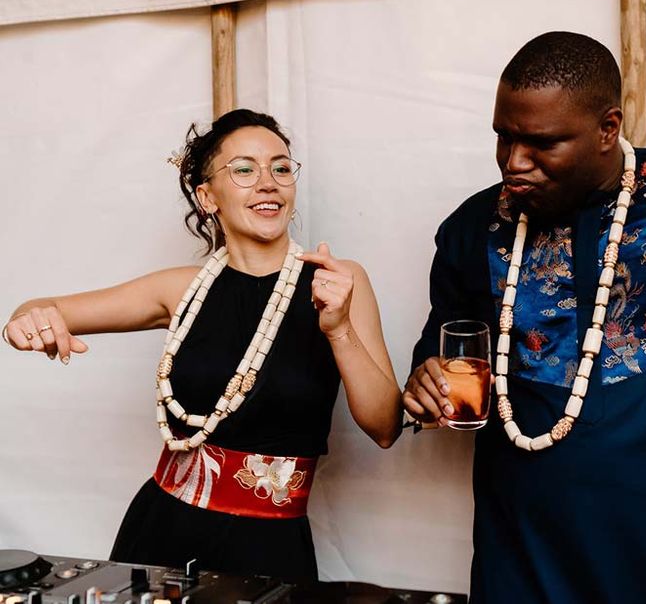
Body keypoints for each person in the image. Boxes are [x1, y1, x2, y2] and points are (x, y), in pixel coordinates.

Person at [403, 31, 646, 602]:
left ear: (608, 128)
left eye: (541, 143)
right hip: (528, 563)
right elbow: (445, 355)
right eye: (503, 137)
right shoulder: (473, 228)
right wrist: (427, 382)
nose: (513, 162)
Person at [3, 108, 402, 583]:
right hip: (162, 531)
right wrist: (29, 323)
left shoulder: (339, 280)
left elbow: (384, 426)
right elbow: (38, 307)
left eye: (280, 167)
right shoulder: (184, 290)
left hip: (271, 545)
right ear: (208, 196)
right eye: (244, 170)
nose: (268, 182)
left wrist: (339, 329)